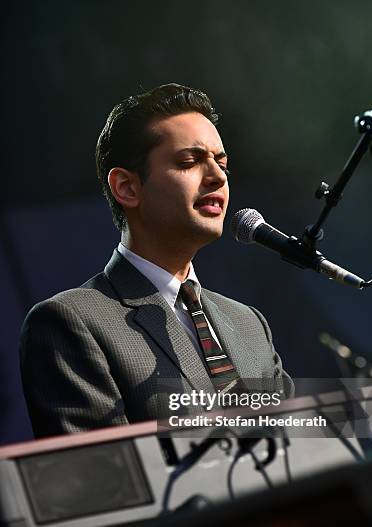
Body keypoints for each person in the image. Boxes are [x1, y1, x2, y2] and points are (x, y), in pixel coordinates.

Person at [20, 83, 293, 438]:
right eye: (189, 162)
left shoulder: (249, 324)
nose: (217, 177)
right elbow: (108, 480)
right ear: (126, 188)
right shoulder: (71, 323)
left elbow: (296, 454)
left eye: (222, 163)